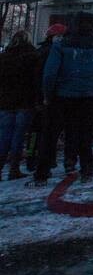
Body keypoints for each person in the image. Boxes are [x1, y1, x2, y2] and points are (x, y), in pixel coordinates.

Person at [32, 12, 93, 185]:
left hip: (62, 96)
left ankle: (42, 173)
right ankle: (87, 168)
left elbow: (50, 74)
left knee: (50, 134)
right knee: (83, 133)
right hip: (88, 96)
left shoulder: (60, 46)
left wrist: (47, 95)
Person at [23, 23, 65, 175]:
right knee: (48, 131)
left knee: (36, 130)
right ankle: (45, 159)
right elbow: (47, 76)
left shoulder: (40, 51)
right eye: (61, 37)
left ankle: (31, 158)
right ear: (54, 37)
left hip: (36, 97)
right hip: (48, 97)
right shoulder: (52, 52)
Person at [0, 31, 40, 180]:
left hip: (5, 102)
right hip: (25, 102)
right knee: (19, 136)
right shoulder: (33, 56)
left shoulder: (4, 57)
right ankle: (14, 168)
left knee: (4, 135)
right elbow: (36, 80)